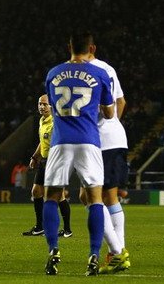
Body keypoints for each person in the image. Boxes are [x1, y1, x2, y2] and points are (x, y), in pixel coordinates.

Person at [43, 32, 114, 276]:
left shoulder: (53, 73)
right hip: (89, 141)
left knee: (51, 197)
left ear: (69, 47)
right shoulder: (100, 73)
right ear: (92, 48)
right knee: (95, 199)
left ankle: (53, 249)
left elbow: (53, 105)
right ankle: (94, 254)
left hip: (61, 141)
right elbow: (110, 113)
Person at [87, 44, 130, 274]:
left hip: (100, 141)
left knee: (90, 196)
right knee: (108, 196)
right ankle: (117, 251)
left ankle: (117, 251)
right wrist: (114, 124)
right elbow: (121, 102)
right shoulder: (108, 68)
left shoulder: (86, 71)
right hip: (116, 138)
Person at [22, 94, 72, 238]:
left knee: (58, 195)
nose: (42, 107)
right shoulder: (42, 121)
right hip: (44, 161)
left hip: (56, 161)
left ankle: (67, 230)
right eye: (40, 104)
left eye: (45, 104)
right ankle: (40, 227)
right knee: (36, 192)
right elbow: (42, 142)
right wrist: (35, 156)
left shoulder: (57, 123)